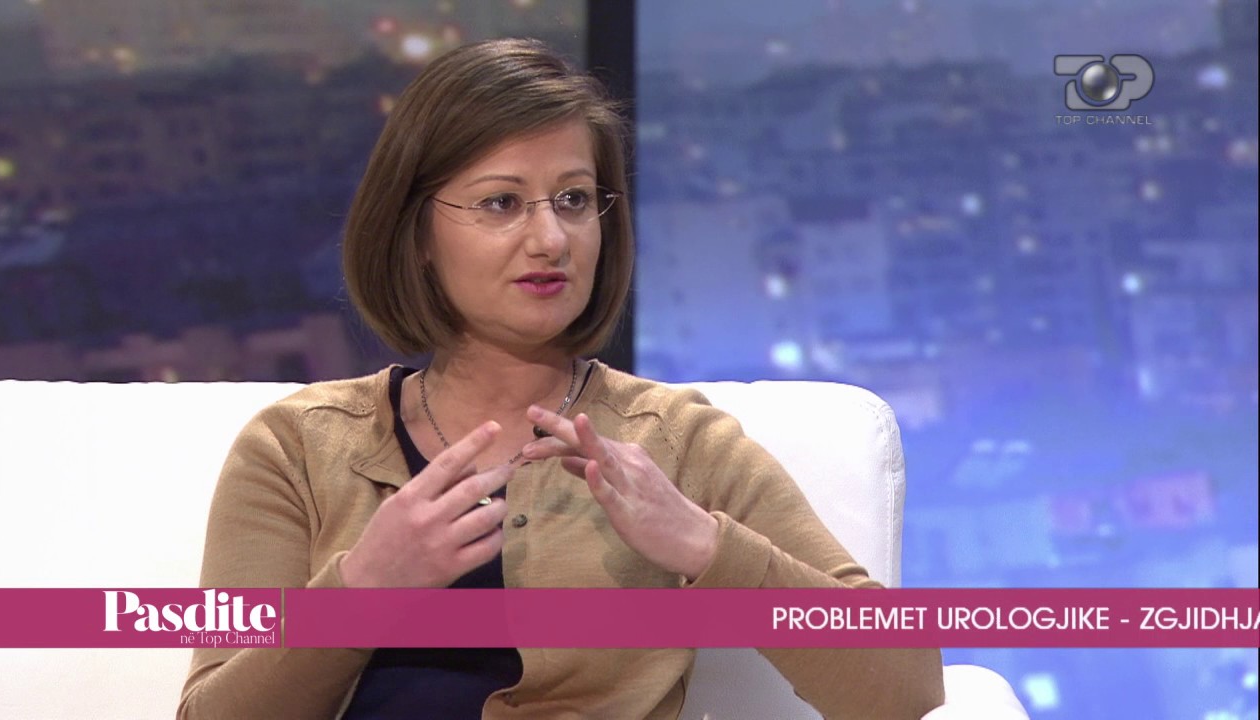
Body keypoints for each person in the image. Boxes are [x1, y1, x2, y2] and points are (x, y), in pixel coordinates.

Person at [178, 38, 944, 719]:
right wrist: (362, 591)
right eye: (501, 203)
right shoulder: (297, 450)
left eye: (574, 200)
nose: (551, 238)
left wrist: (707, 546)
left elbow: (902, 689)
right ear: (417, 233)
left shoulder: (680, 443)